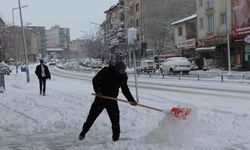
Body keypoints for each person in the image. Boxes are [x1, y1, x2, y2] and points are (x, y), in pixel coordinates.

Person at [79, 61, 137, 142]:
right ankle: (82, 133)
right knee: (91, 117)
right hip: (101, 99)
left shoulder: (123, 76)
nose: (122, 72)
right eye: (121, 70)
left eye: (123, 71)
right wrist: (98, 92)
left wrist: (131, 100)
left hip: (112, 100)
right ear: (116, 69)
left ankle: (116, 139)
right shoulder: (106, 71)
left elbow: (125, 89)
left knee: (115, 120)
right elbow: (95, 80)